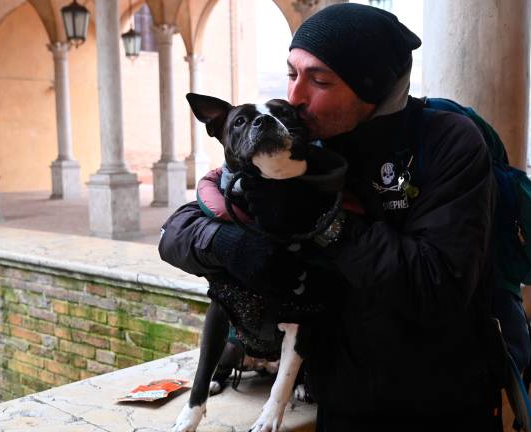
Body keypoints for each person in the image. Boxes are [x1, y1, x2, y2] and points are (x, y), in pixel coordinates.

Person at [160, 3, 503, 430]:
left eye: (319, 80)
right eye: (292, 74)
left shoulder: (448, 143)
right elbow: (177, 230)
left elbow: (436, 286)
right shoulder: (304, 143)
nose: (295, 97)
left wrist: (328, 223)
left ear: (372, 91)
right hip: (340, 395)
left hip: (440, 399)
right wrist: (228, 245)